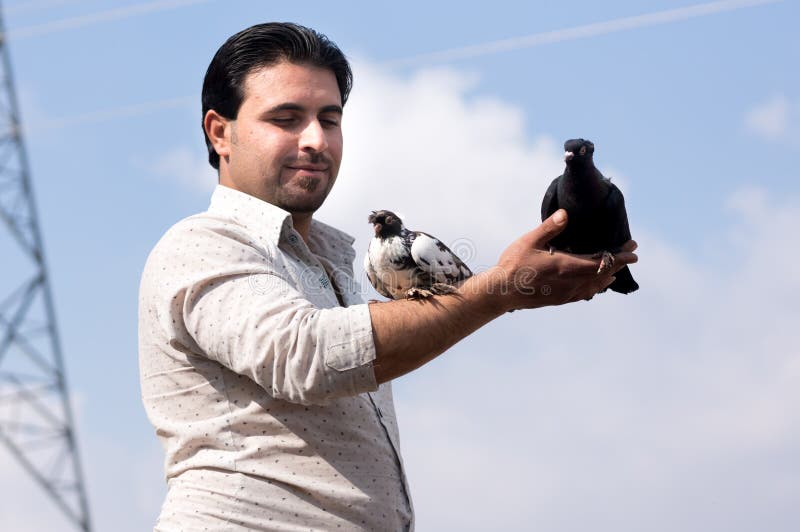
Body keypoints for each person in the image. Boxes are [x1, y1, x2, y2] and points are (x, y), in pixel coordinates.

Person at [138, 22, 637, 531]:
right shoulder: (201, 244)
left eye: (329, 120)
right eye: (285, 119)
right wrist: (498, 290)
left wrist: (506, 287)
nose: (315, 140)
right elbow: (308, 354)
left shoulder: (330, 264)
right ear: (219, 132)